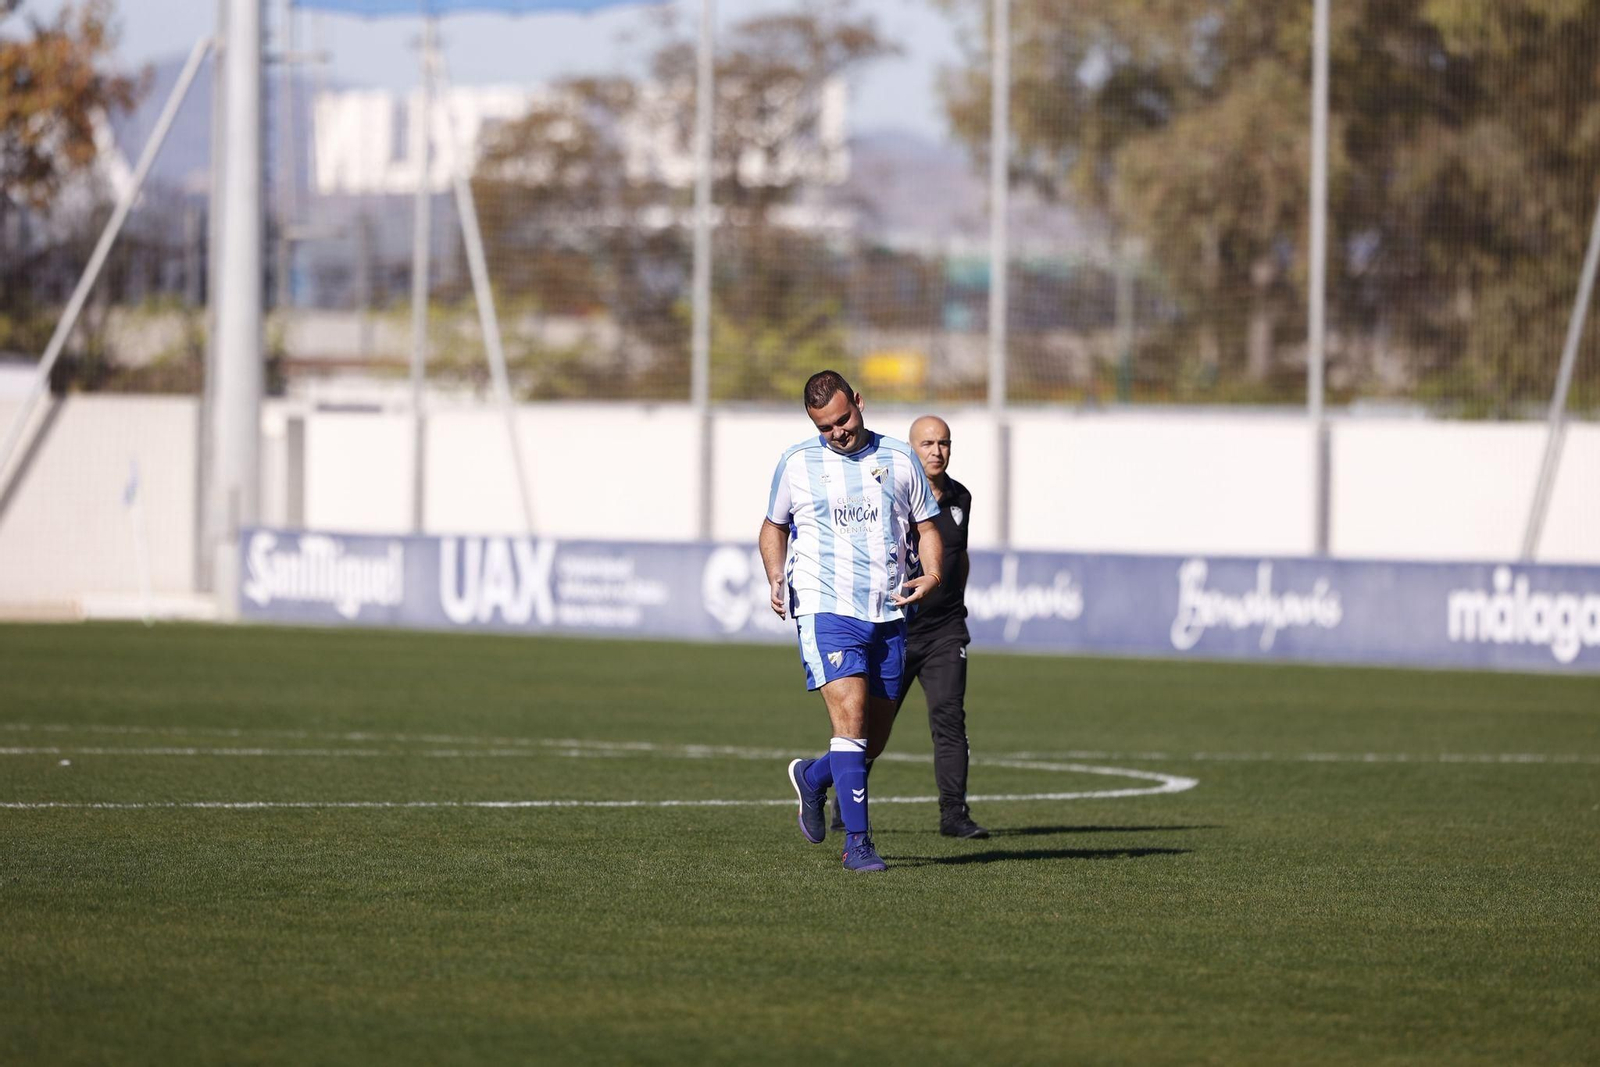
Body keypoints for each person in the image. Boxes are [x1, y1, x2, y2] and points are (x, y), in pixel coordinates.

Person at [760, 370, 944, 872]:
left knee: (872, 741)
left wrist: (932, 573)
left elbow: (927, 527)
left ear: (859, 402)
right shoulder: (797, 464)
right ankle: (858, 845)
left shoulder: (899, 458)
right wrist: (777, 576)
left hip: (888, 611)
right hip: (825, 607)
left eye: (843, 419)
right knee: (851, 723)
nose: (837, 431)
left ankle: (815, 777)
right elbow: (773, 528)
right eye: (826, 427)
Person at [829, 415, 989, 838]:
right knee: (868, 725)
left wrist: (956, 603)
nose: (937, 451)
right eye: (928, 443)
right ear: (910, 448)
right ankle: (844, 802)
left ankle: (954, 814)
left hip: (945, 631)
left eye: (944, 443)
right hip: (895, 626)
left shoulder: (961, 498)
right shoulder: (889, 488)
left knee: (949, 717)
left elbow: (960, 555)